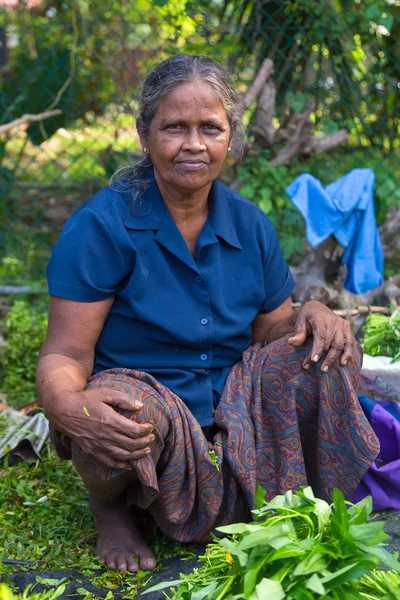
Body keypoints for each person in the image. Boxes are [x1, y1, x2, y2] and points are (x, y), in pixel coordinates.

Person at [37, 54, 379, 574]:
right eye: (175, 127)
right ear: (145, 135)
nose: (193, 143)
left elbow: (272, 331)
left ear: (230, 138)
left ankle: (290, 494)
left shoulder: (248, 224)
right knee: (118, 408)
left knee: (324, 356)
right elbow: (65, 351)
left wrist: (312, 313)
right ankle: (110, 506)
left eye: (210, 128)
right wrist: (64, 404)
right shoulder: (102, 227)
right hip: (150, 400)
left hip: (235, 405)